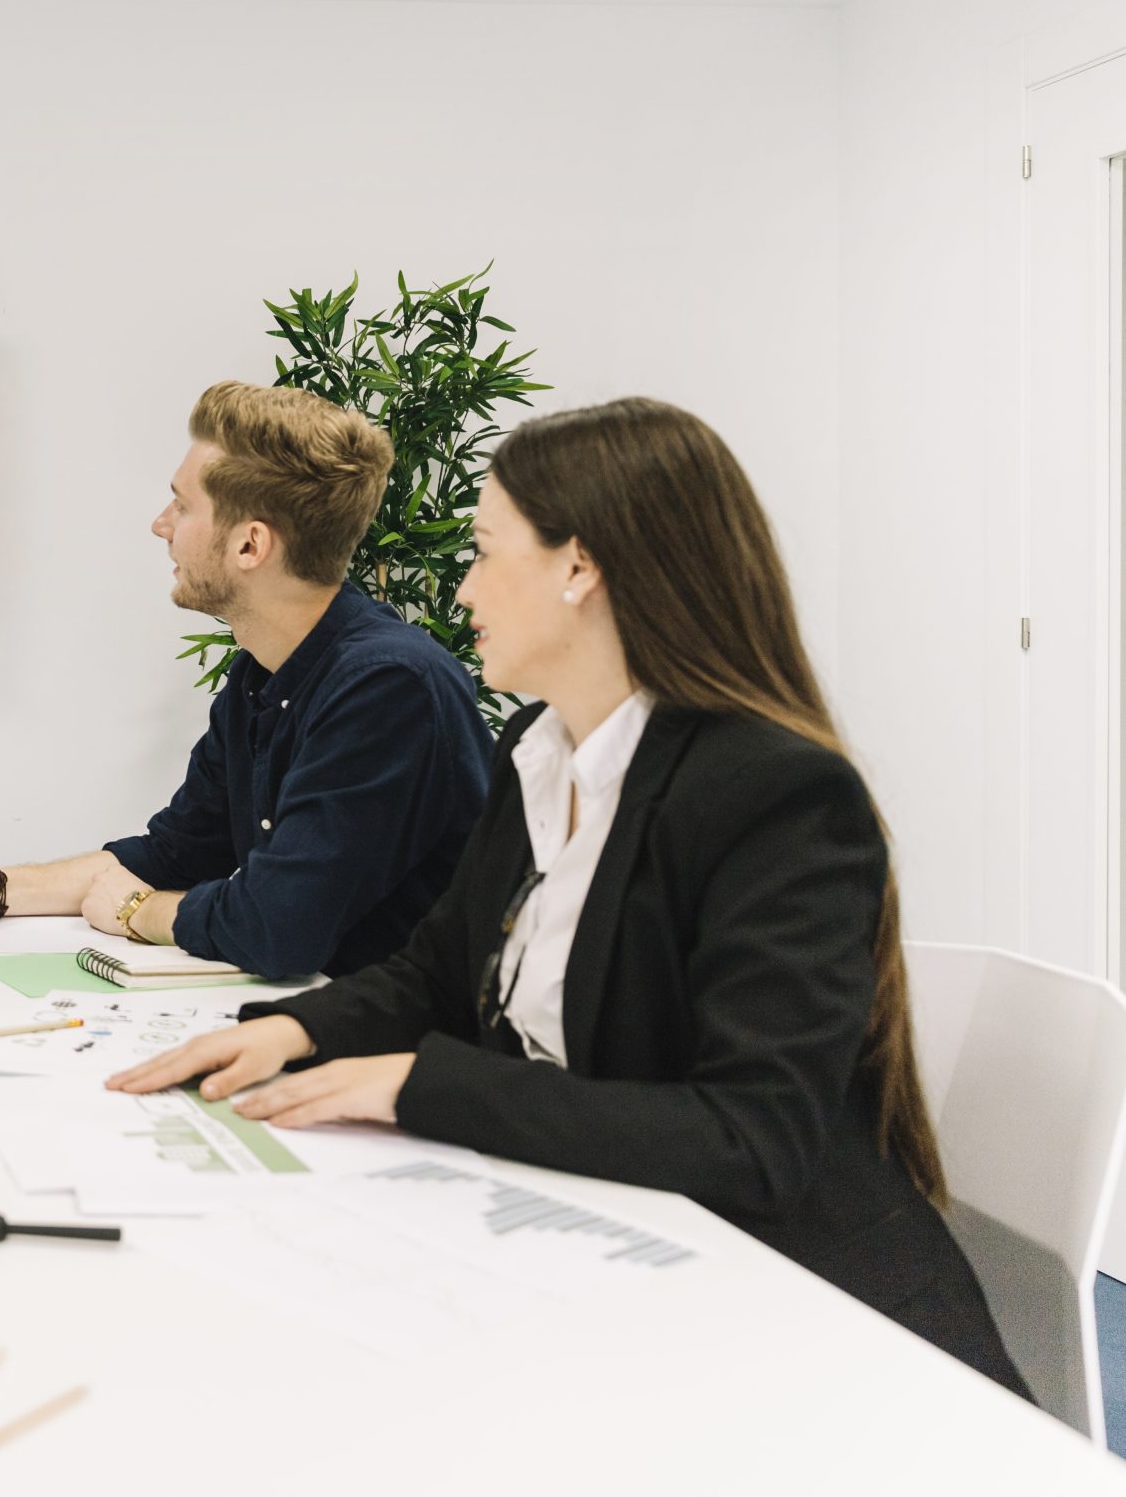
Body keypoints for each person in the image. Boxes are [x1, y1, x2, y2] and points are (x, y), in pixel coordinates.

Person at [109, 396, 1025, 1393]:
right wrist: (292, 1032)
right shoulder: (540, 753)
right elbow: (436, 972)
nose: (461, 590)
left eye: (484, 552)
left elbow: (750, 1138)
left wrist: (416, 1086)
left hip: (808, 1324)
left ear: (577, 568)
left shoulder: (775, 795)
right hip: (614, 1253)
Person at [0, 381, 492, 979]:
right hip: (318, 1012)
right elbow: (176, 853)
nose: (161, 524)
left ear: (250, 544)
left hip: (398, 1044)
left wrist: (139, 911)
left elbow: (277, 928)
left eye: (181, 505)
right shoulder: (262, 672)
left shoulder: (388, 688)